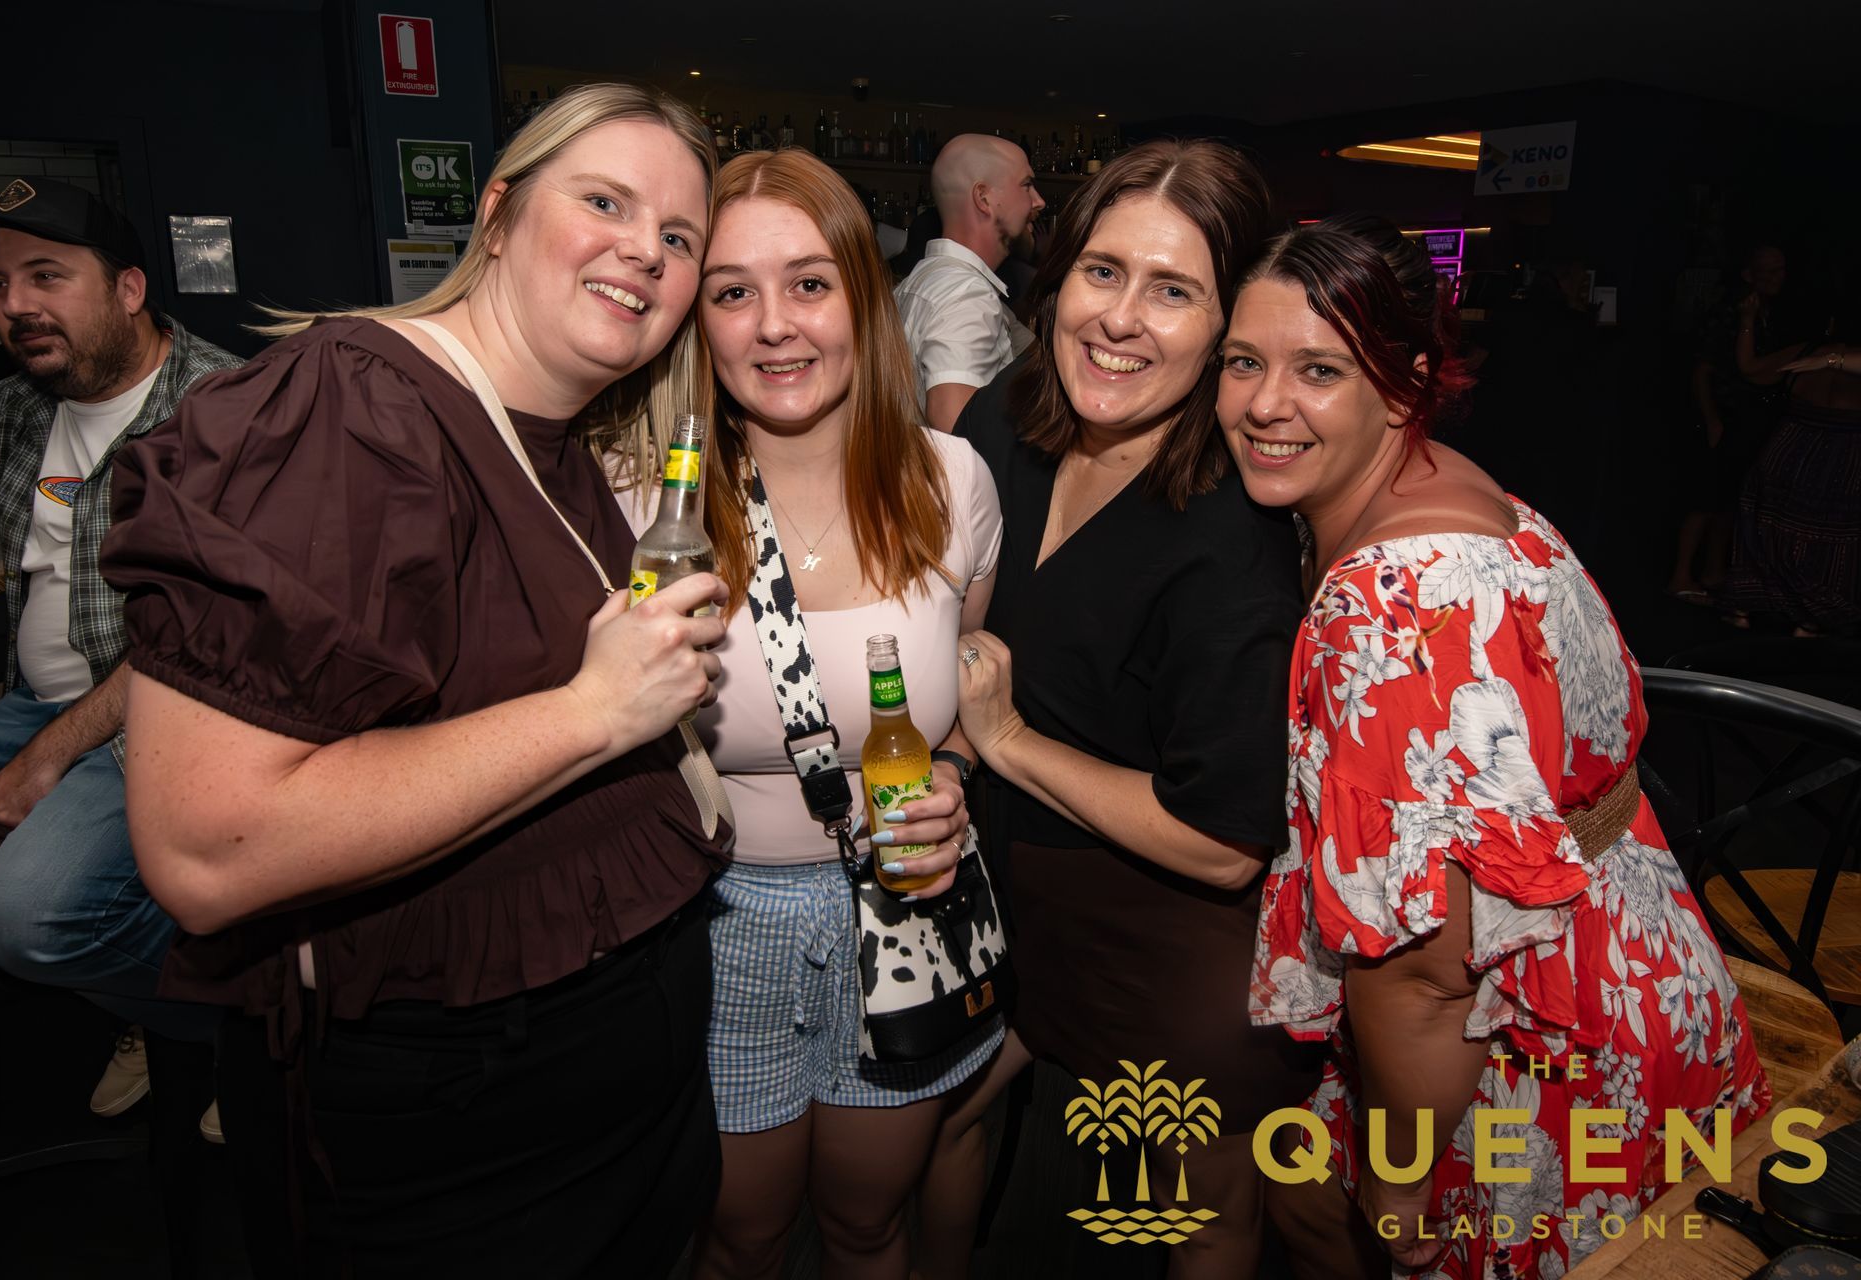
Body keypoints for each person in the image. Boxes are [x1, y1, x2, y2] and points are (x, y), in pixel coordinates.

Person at [99, 83, 733, 1275]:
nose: (645, 250)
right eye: (605, 202)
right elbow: (207, 849)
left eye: (679, 235)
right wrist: (595, 711)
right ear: (496, 214)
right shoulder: (351, 405)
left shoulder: (559, 444)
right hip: (457, 1151)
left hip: (604, 1120)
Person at [1220, 215, 1770, 1279]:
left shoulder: (1389, 600)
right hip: (1641, 964)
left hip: (1536, 1036)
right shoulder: (1457, 486)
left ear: (1404, 385)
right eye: (1245, 361)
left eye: (1319, 369)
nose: (1264, 403)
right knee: (1299, 1198)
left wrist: (1402, 1180)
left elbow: (1428, 970)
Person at [920, 139, 1326, 1280]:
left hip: (1161, 930)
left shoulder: (1231, 535)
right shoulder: (1002, 425)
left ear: (1228, 327)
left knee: (1194, 1214)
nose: (1121, 318)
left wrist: (1006, 740)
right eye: (1103, 272)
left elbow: (1221, 841)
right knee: (941, 1128)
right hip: (1000, 886)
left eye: (1174, 290)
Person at [612, 146, 1003, 1280]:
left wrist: (953, 777)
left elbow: (968, 693)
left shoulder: (951, 482)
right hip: (716, 921)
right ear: (697, 321)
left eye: (810, 283)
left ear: (864, 300)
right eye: (733, 291)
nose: (774, 325)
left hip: (904, 909)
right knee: (739, 1235)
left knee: (869, 1225)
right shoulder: (645, 499)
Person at [0, 177, 236, 1122]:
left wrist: (50, 754)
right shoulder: (19, 406)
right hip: (35, 706)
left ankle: (257, 1025)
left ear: (129, 289)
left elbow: (201, 631)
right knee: (9, 920)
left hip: (161, 715)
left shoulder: (225, 407)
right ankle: (153, 997)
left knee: (22, 919)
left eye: (46, 276)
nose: (17, 306)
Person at [1718, 298, 1861, 637]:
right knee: (1828, 539)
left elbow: (1750, 369)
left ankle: (1746, 607)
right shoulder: (1826, 356)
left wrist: (1747, 319)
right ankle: (1810, 619)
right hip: (1842, 458)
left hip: (1790, 448)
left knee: (1769, 526)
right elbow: (1752, 371)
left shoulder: (1810, 352)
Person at [1666, 245, 1794, 600]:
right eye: (1768, 271)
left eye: (1781, 270)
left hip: (1748, 418)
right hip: (1722, 416)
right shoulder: (1728, 314)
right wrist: (1712, 420)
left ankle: (1713, 570)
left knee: (1729, 498)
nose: (1777, 278)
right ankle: (1681, 575)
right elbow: (1702, 371)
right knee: (1704, 496)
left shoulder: (1768, 313)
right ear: (1749, 274)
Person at [893, 134, 1045, 431]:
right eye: (1027, 185)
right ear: (983, 198)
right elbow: (954, 425)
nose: (1039, 201)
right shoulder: (966, 296)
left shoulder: (924, 280)